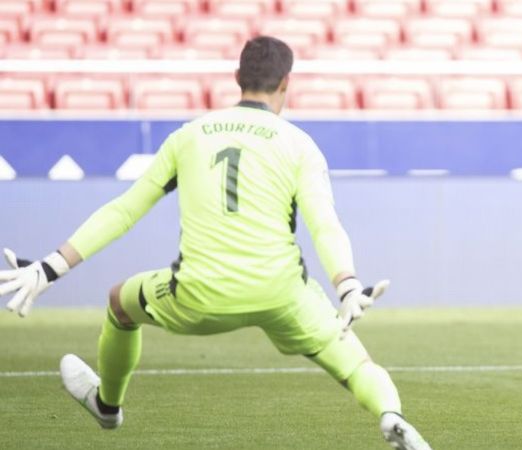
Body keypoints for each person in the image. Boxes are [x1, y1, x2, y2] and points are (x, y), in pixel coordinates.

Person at [0, 36, 432, 448]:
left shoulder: (190, 135)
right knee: (357, 365)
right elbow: (325, 224)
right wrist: (347, 284)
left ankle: (107, 406)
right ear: (286, 83)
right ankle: (390, 414)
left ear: (236, 77)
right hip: (282, 293)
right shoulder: (301, 145)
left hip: (199, 294)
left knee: (119, 303)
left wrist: (52, 265)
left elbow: (125, 210)